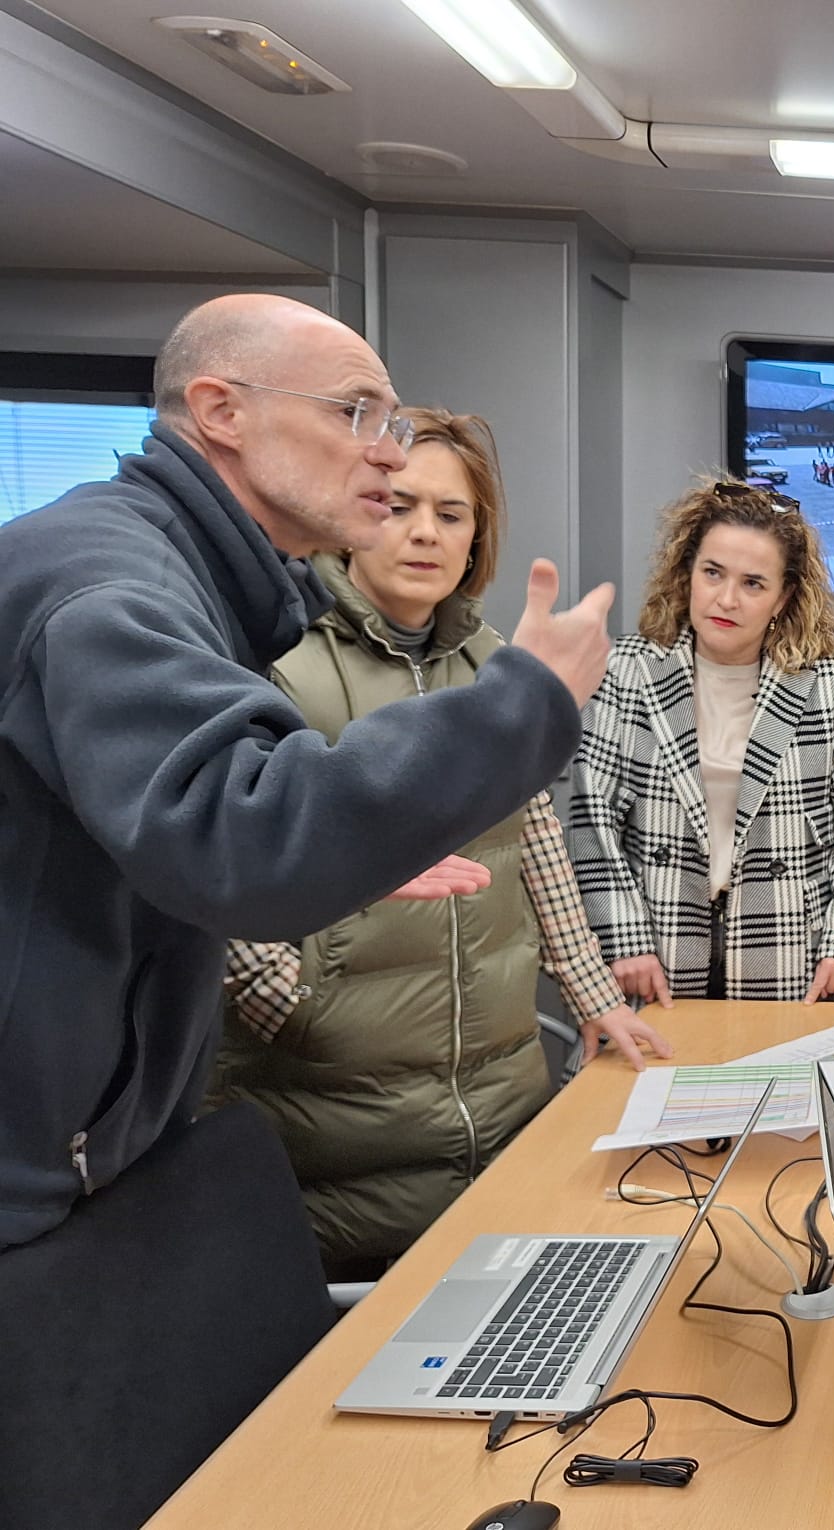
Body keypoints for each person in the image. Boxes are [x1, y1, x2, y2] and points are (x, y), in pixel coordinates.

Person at [0, 293, 612, 1251]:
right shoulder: (114, 586)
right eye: (355, 413)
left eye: (394, 426)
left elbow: (167, 835)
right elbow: (241, 842)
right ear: (221, 411)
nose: (387, 451)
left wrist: (356, 845)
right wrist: (524, 703)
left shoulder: (196, 582)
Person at [211, 407, 671, 1277]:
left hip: (497, 1109)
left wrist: (591, 994)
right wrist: (286, 997)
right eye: (398, 504)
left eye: (451, 515)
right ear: (354, 513)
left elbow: (533, 835)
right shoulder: (272, 661)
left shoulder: (498, 665)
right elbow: (206, 852)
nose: (424, 532)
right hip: (326, 1121)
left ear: (476, 539)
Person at [569, 481, 834, 1003]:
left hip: (791, 955)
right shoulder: (627, 669)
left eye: (753, 583)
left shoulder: (824, 681)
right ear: (688, 573)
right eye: (713, 573)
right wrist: (621, 938)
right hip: (657, 951)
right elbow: (592, 819)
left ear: (783, 596)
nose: (727, 599)